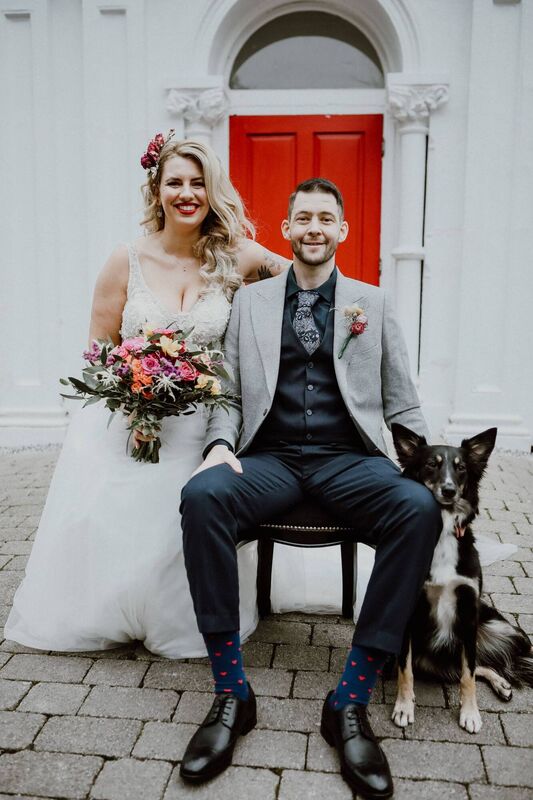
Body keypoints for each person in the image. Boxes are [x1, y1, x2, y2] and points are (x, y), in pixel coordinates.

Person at [178, 177, 443, 798]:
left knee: (417, 507)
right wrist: (219, 444)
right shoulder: (252, 303)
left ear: (342, 230)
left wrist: (426, 467)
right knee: (202, 496)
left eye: (326, 217)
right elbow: (229, 389)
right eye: (303, 218)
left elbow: (401, 400)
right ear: (287, 228)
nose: (315, 227)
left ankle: (348, 702)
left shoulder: (372, 305)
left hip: (349, 458)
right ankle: (230, 694)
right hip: (269, 457)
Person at [4, 135, 289, 658]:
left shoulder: (235, 255)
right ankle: (112, 607)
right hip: (130, 416)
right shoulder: (127, 259)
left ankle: (188, 613)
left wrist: (343, 318)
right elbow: (98, 349)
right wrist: (132, 401)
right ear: (156, 190)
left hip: (205, 425)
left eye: (198, 183)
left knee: (193, 507)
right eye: (174, 182)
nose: (187, 193)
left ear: (213, 190)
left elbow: (298, 282)